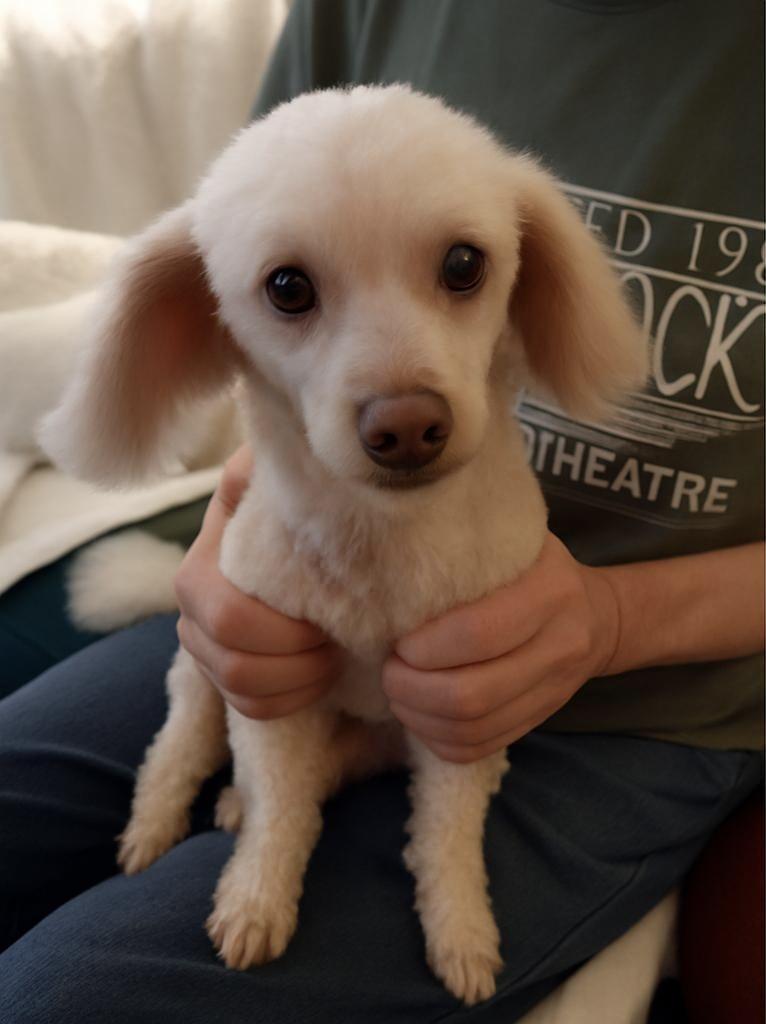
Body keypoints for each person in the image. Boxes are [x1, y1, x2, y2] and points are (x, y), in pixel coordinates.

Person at [1, 1, 763, 1020]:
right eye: (292, 290)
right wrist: (232, 553)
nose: (401, 406)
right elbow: (249, 297)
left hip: (645, 711)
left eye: (460, 270)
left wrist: (613, 622)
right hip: (311, 605)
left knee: (63, 1000)